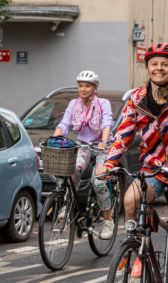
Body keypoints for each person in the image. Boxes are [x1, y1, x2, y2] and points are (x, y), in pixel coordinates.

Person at [96, 43, 168, 283]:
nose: (159, 68)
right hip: (153, 170)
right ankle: (139, 246)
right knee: (130, 200)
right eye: (154, 63)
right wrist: (108, 163)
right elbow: (123, 134)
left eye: (165, 64)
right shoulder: (137, 99)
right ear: (148, 68)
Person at [53, 70, 115, 239]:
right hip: (84, 144)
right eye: (80, 86)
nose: (83, 89)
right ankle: (68, 203)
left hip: (103, 146)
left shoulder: (103, 103)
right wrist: (55, 137)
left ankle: (108, 220)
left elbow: (107, 122)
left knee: (98, 182)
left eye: (87, 86)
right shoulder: (74, 104)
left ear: (94, 88)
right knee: (75, 168)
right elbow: (65, 123)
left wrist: (103, 140)